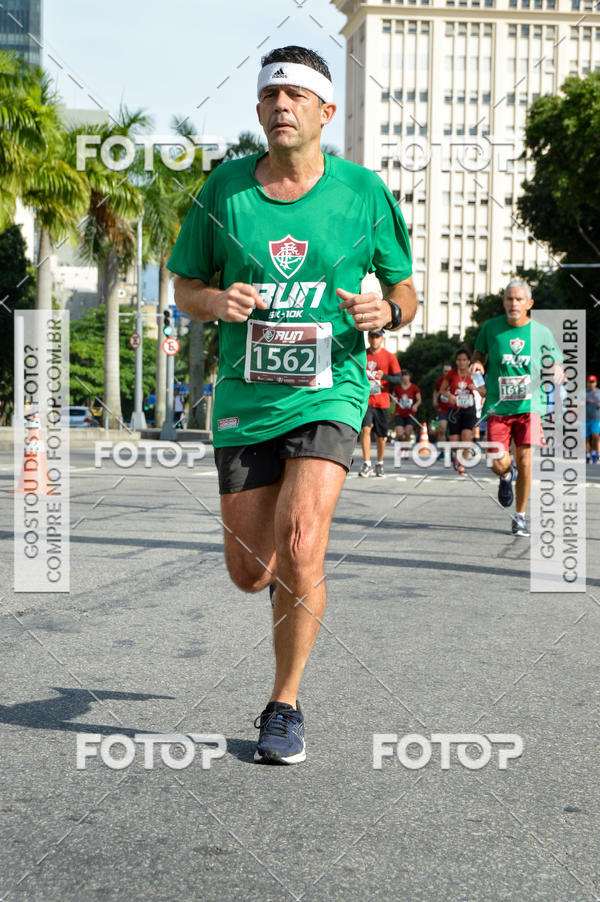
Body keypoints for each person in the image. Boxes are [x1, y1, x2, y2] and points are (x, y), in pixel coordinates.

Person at [168, 46, 416, 764]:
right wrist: (218, 300)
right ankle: (285, 575)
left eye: (296, 96)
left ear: (325, 112)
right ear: (257, 111)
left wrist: (385, 315)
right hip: (247, 396)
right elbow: (186, 285)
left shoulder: (363, 193)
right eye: (270, 95)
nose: (281, 105)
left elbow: (405, 291)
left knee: (304, 542)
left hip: (329, 389)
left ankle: (284, 703)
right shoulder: (225, 191)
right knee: (251, 572)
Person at [471, 278, 560, 537]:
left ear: (529, 303)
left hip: (530, 406)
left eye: (519, 299)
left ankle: (519, 516)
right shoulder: (490, 328)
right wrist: (478, 364)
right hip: (498, 408)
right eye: (509, 298)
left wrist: (556, 370)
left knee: (526, 460)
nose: (514, 303)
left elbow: (555, 361)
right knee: (497, 461)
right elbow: (479, 354)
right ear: (504, 302)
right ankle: (505, 475)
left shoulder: (541, 332)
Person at [359, 329, 401, 477]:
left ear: (382, 339)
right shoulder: (362, 354)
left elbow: (399, 379)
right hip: (366, 399)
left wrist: (385, 376)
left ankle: (380, 463)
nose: (375, 340)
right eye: (372, 336)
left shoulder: (389, 357)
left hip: (382, 401)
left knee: (381, 435)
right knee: (365, 430)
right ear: (368, 338)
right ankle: (366, 463)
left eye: (377, 337)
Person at [439, 348, 485, 476]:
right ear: (456, 361)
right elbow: (442, 391)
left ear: (468, 361)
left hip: (469, 409)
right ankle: (456, 456)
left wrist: (475, 388)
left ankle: (462, 464)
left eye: (464, 360)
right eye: (459, 360)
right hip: (454, 410)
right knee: (454, 442)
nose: (461, 362)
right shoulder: (451, 374)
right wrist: (450, 397)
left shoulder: (474, 374)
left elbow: (484, 392)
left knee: (466, 437)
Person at [393, 370, 421, 456]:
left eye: (406, 375)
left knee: (408, 432)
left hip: (410, 414)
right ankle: (402, 445)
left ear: (409, 377)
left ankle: (405, 450)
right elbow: (393, 397)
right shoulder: (397, 387)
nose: (405, 377)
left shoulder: (414, 388)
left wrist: (415, 405)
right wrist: (394, 400)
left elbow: (419, 400)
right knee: (399, 434)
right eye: (403, 375)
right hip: (399, 413)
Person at [433, 362, 452, 452]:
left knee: (453, 432)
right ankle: (443, 451)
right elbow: (436, 391)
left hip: (453, 409)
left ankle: (453, 451)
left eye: (448, 371)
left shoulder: (455, 380)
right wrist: (435, 400)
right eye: (445, 371)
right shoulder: (439, 381)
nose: (446, 373)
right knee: (442, 429)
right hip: (442, 408)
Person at [586, 374, 600, 463]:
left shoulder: (599, 392)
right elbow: (577, 403)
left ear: (596, 383)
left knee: (595, 436)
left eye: (593, 382)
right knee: (586, 438)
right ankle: (587, 455)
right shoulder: (584, 393)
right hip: (585, 419)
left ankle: (594, 453)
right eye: (590, 382)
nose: (591, 384)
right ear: (587, 383)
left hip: (596, 418)